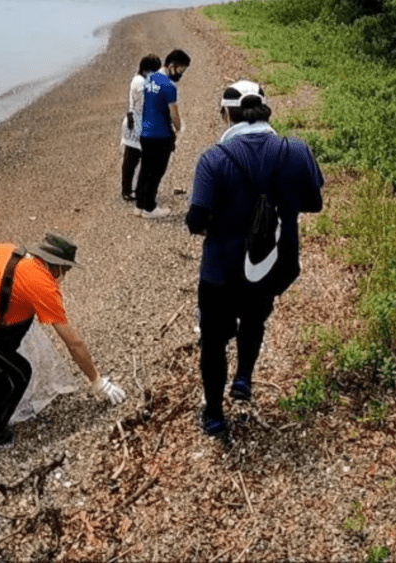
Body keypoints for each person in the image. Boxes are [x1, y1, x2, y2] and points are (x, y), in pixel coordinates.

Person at [186, 81, 323, 447]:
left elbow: (197, 220)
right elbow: (313, 202)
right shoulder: (295, 150)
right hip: (268, 263)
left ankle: (214, 415)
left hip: (220, 270)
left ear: (227, 114)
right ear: (265, 111)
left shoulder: (213, 160)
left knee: (213, 342)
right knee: (254, 317)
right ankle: (244, 376)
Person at [0, 233, 126, 448]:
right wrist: (97, 381)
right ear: (57, 266)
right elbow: (74, 342)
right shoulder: (41, 283)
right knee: (16, 373)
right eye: (67, 270)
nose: (66, 275)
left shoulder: (7, 249)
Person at [135, 49, 191, 218]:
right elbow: (174, 114)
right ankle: (150, 208)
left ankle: (139, 205)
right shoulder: (169, 86)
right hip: (161, 134)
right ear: (173, 66)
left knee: (145, 169)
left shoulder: (150, 78)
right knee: (157, 171)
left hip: (145, 131)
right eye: (181, 70)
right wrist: (180, 128)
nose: (180, 75)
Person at [120, 54, 162, 202]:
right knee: (133, 160)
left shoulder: (138, 79)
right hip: (137, 125)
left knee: (134, 160)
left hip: (135, 122)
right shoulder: (142, 84)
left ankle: (133, 190)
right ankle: (128, 191)